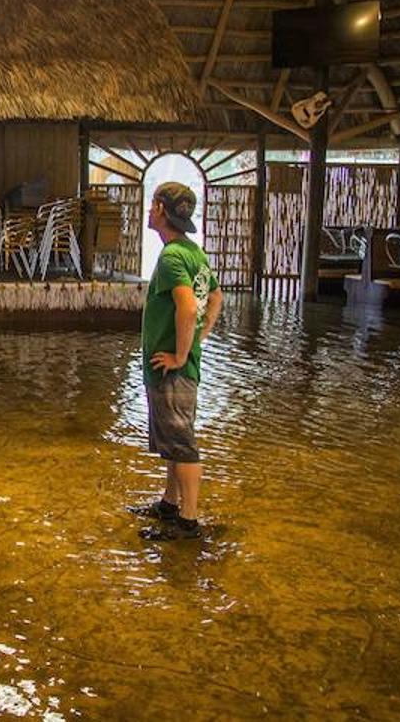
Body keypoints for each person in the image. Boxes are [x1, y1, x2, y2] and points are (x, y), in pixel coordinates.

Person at [132, 182, 223, 541]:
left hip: (173, 370)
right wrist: (200, 338)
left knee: (182, 443)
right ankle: (170, 504)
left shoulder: (171, 257)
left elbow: (187, 306)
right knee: (173, 438)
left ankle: (188, 521)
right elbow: (216, 296)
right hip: (178, 368)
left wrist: (181, 354)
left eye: (153, 203)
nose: (149, 210)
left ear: (160, 209)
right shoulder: (191, 252)